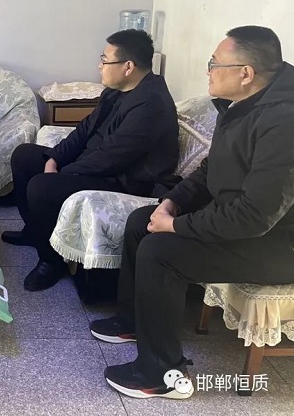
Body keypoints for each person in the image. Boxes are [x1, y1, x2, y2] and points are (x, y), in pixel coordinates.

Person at [90, 26, 294, 399]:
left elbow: (256, 215)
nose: (208, 71)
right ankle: (134, 322)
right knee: (141, 222)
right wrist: (171, 203)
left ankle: (160, 375)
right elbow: (210, 169)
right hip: (245, 223)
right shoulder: (244, 103)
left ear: (245, 73)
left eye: (215, 64)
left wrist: (177, 226)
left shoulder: (283, 123)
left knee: (161, 251)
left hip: (277, 245)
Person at [5, 29, 179, 292]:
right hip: (100, 165)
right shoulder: (116, 91)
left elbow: (112, 158)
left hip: (125, 181)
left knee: (42, 186)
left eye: (105, 60)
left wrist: (63, 173)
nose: (100, 66)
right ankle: (34, 231)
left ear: (128, 67)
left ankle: (51, 262)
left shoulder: (151, 104)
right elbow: (85, 129)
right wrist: (54, 158)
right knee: (24, 155)